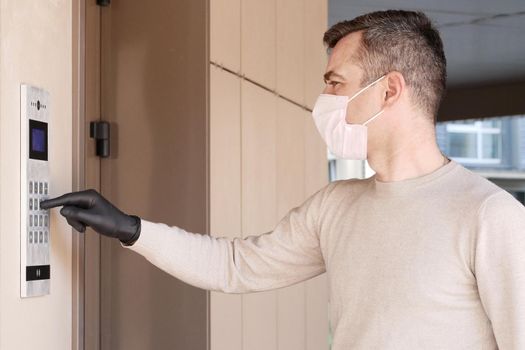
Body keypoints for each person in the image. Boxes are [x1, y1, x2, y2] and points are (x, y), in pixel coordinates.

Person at [41, 9, 525, 349]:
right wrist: (130, 228)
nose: (323, 98)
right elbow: (234, 265)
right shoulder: (337, 206)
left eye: (336, 83)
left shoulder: (489, 216)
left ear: (390, 90)